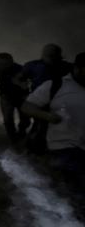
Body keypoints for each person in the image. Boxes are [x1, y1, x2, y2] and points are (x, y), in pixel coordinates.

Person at [21, 52, 85, 192]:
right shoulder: (55, 85)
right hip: (64, 147)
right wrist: (46, 115)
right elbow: (27, 106)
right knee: (75, 189)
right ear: (77, 68)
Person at [19, 44, 71, 154]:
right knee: (40, 125)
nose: (50, 57)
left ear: (59, 55)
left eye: (53, 55)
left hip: (60, 101)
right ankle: (30, 149)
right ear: (43, 54)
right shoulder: (32, 65)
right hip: (39, 101)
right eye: (48, 55)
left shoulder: (67, 66)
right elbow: (19, 78)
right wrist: (23, 87)